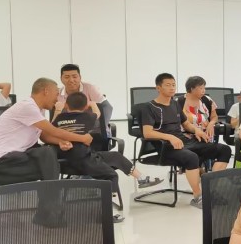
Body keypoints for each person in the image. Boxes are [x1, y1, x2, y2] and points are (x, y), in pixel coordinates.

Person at [55, 92, 162, 222]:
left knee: (115, 156)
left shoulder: (59, 118)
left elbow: (51, 127)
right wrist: (93, 104)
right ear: (85, 107)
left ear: (66, 105)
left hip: (68, 160)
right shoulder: (86, 117)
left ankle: (142, 179)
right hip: (83, 159)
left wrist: (58, 110)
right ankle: (108, 213)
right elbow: (98, 113)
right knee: (111, 176)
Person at [141, 73, 231, 209]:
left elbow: (186, 124)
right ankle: (198, 197)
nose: (172, 88)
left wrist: (197, 131)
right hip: (166, 146)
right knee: (191, 157)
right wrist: (170, 137)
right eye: (168, 85)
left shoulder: (175, 104)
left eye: (173, 85)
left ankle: (210, 189)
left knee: (224, 150)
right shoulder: (149, 107)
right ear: (158, 88)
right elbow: (147, 132)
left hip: (184, 141)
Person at [0, 78, 93, 185]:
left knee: (47, 155)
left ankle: (52, 190)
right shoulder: (27, 106)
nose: (57, 99)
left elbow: (44, 136)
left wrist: (60, 142)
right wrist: (83, 138)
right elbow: (54, 131)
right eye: (56, 94)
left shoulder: (39, 109)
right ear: (46, 91)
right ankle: (53, 190)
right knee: (46, 158)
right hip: (3, 160)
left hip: (16, 157)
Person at [177, 76, 219, 141]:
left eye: (204, 88)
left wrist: (211, 124)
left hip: (206, 136)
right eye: (201, 88)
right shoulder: (179, 102)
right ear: (192, 89)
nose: (204, 91)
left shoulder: (207, 100)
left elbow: (214, 117)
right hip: (185, 138)